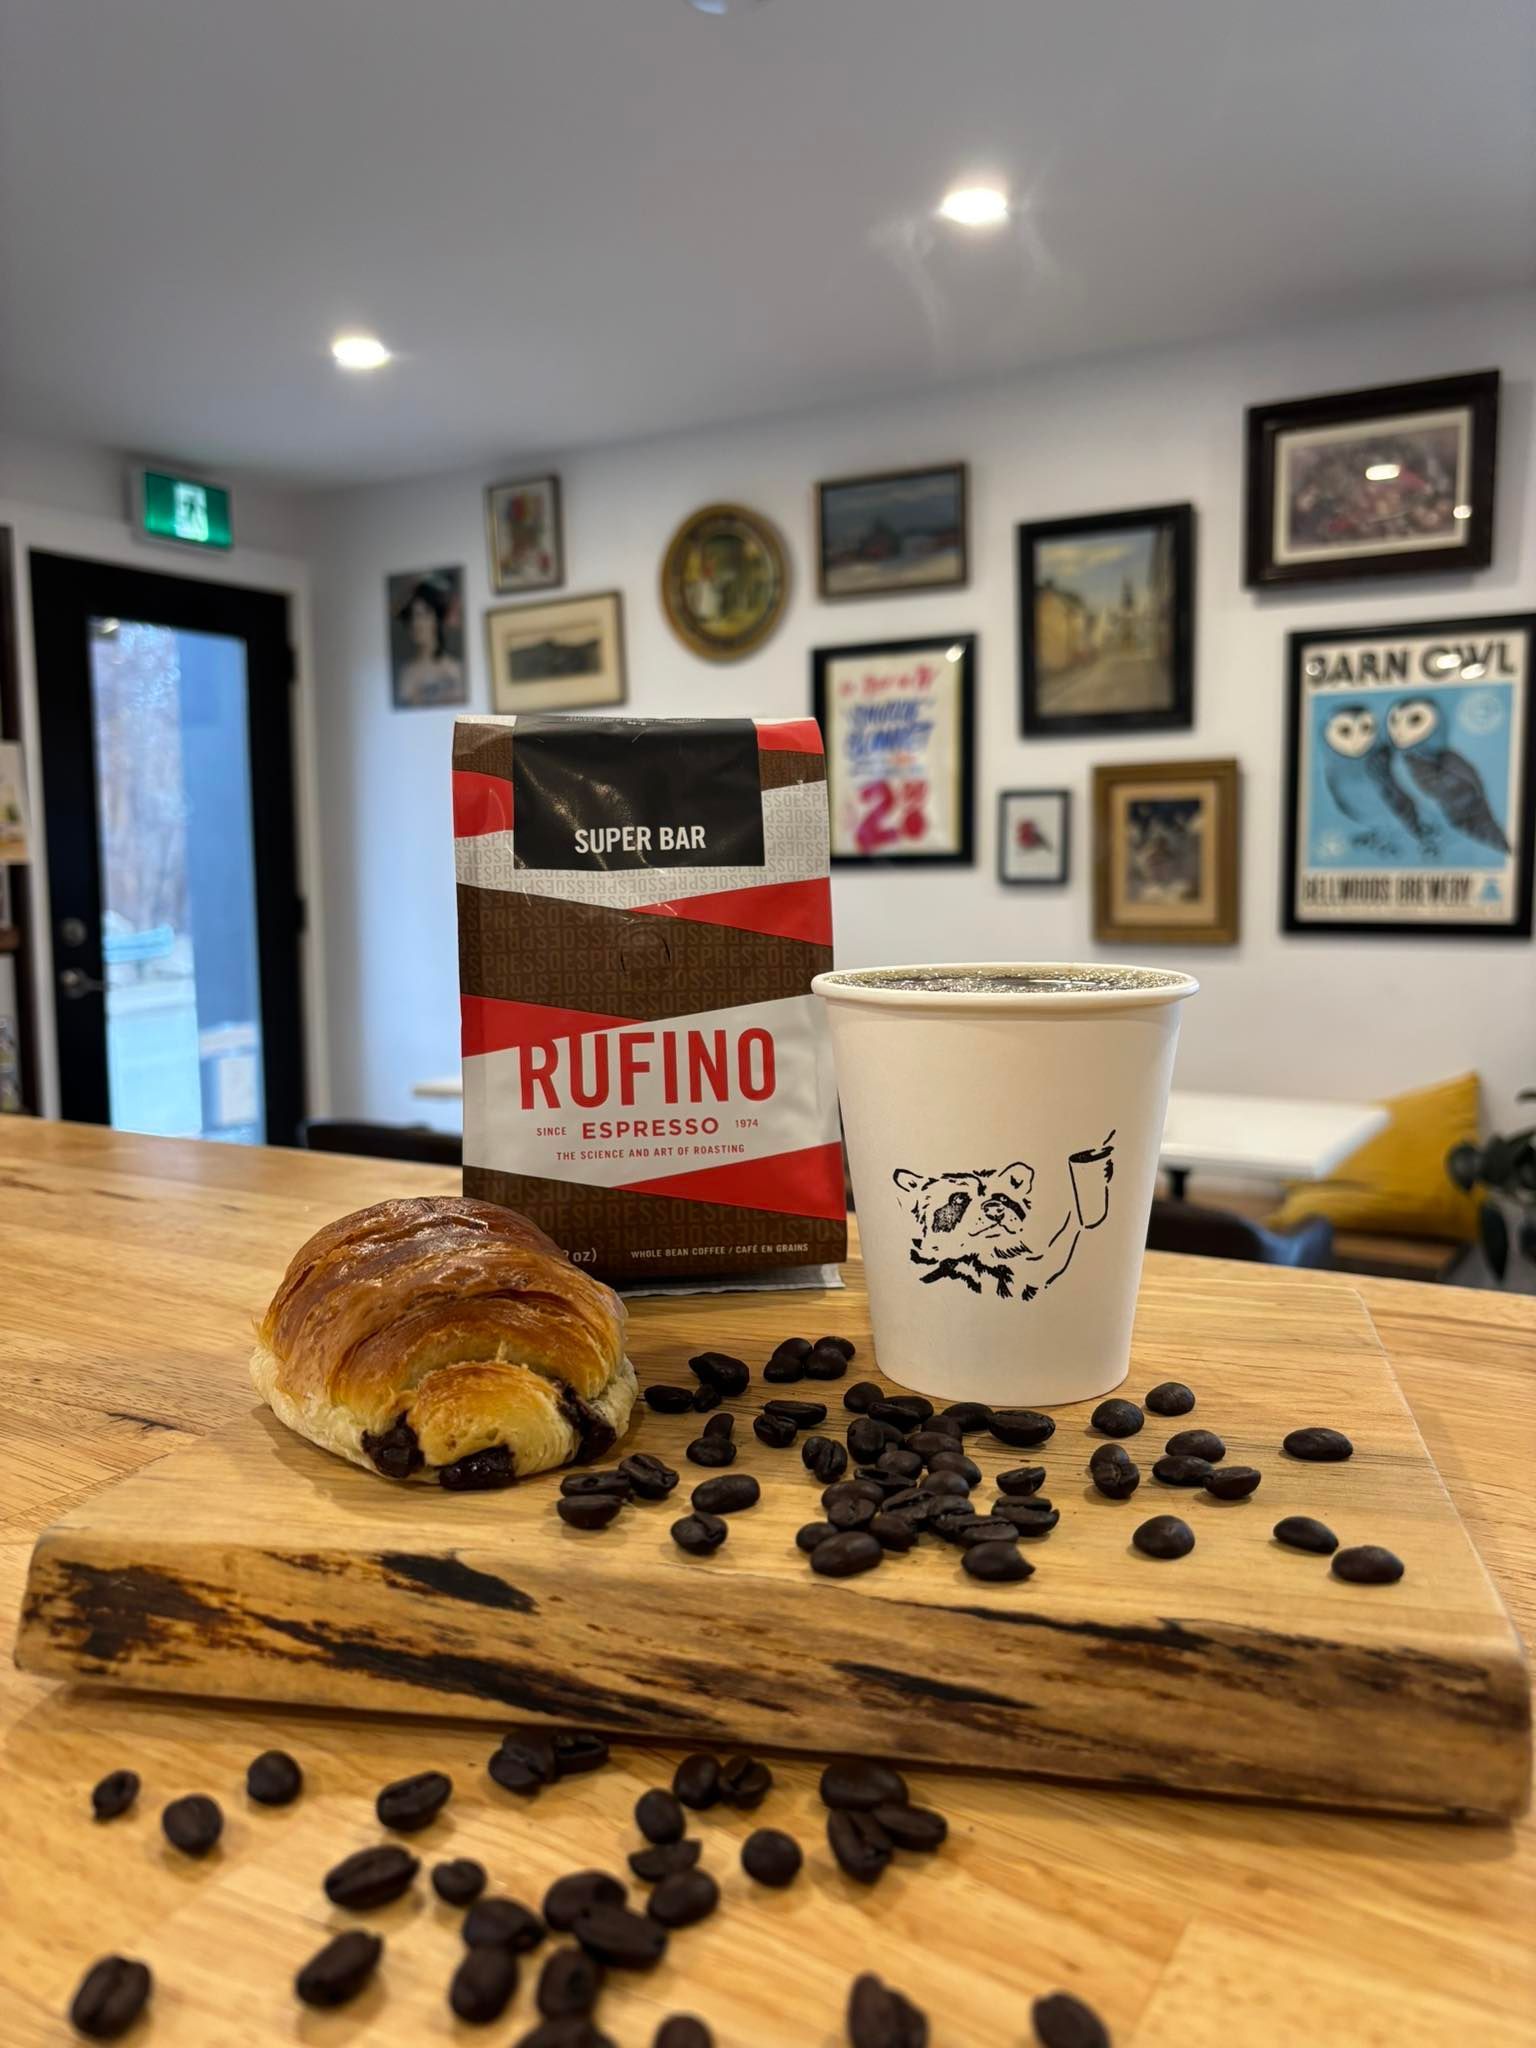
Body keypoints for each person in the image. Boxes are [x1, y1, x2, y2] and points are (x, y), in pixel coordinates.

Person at [394, 577, 463, 705]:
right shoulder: (407, 674)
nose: (417, 623)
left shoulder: (455, 669)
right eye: (412, 616)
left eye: (424, 615)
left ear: (437, 620)